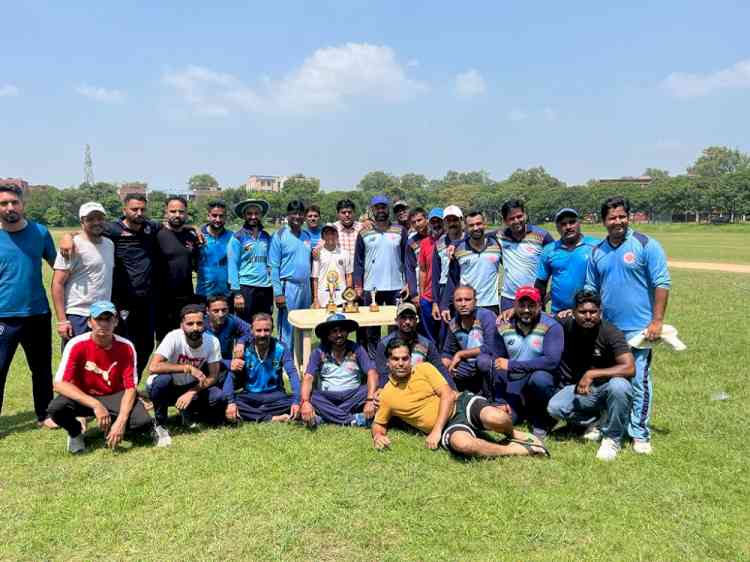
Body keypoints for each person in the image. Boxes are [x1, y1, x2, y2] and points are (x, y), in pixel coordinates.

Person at [585, 196, 671, 455]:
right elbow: (591, 290)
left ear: (628, 217)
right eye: (612, 217)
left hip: (639, 331)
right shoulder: (597, 252)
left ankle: (639, 433)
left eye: (622, 216)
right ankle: (608, 424)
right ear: (604, 221)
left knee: (639, 381)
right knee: (609, 381)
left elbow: (662, 282)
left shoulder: (646, 244)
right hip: (608, 331)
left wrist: (656, 321)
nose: (618, 221)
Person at [372, 338, 549, 457]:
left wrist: (436, 431)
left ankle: (513, 433)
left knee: (497, 417)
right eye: (395, 359)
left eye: (405, 358)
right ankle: (513, 449)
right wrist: (378, 436)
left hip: (461, 403)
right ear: (388, 362)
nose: (401, 363)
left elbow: (448, 395)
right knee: (463, 445)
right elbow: (379, 423)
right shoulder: (387, 394)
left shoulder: (424, 368)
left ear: (410, 359)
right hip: (451, 426)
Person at [47, 301, 172, 452]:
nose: (103, 324)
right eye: (98, 319)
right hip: (84, 395)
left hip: (113, 394)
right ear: (89, 322)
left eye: (108, 319)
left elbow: (130, 388)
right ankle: (75, 433)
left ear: (116, 322)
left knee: (142, 422)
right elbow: (59, 384)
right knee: (56, 409)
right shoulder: (76, 344)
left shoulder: (126, 346)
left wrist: (121, 421)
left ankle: (128, 425)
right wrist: (96, 405)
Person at [547, 290, 635, 461]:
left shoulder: (611, 332)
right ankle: (597, 422)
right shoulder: (567, 324)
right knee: (554, 407)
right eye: (582, 312)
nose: (588, 316)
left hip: (608, 388)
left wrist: (592, 373)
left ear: (600, 312)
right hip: (584, 389)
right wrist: (513, 311)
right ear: (573, 313)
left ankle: (612, 439)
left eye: (593, 312)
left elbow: (630, 367)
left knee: (620, 386)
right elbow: (541, 317)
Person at [0, 184, 56, 426]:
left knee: (41, 369)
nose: (10, 207)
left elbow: (60, 266)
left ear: (23, 205)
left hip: (37, 313)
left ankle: (45, 414)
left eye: (14, 202)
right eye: (4, 203)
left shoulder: (40, 233)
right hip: (3, 316)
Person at [484, 286, 562, 439]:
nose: (526, 310)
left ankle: (541, 419)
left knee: (540, 379)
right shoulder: (503, 325)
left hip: (541, 379)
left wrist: (512, 365)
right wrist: (500, 399)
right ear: (514, 306)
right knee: (506, 420)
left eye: (531, 305)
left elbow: (551, 362)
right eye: (522, 305)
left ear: (540, 306)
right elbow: (498, 361)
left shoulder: (552, 326)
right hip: (516, 381)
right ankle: (522, 409)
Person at [353, 195, 414, 355]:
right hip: (371, 288)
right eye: (377, 208)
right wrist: (357, 284)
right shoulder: (364, 233)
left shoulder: (400, 231)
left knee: (396, 327)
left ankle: (395, 358)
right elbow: (358, 261)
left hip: (396, 288)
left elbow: (406, 259)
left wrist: (408, 282)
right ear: (372, 210)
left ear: (388, 209)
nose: (380, 210)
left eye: (383, 207)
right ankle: (374, 361)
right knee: (372, 329)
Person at [147, 304, 224, 427]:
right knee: (161, 381)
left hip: (190, 385)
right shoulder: (173, 337)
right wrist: (187, 368)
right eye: (190, 324)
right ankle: (160, 422)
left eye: (199, 323)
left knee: (217, 396)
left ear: (205, 324)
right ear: (181, 325)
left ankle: (190, 412)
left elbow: (213, 376)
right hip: (169, 386)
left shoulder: (213, 342)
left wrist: (192, 392)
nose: (195, 328)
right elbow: (153, 367)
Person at [52, 202, 114, 348]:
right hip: (78, 314)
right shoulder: (72, 246)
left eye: (99, 218)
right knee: (76, 362)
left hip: (103, 313)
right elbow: (57, 284)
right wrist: (62, 321)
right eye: (90, 219)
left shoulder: (109, 244)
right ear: (82, 222)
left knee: (99, 362)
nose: (96, 222)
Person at [300, 314, 378, 427]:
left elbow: (372, 373)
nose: (339, 334)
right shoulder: (318, 352)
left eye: (342, 330)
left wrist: (370, 399)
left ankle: (326, 417)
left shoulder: (357, 349)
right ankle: (353, 420)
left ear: (347, 332)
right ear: (328, 334)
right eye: (334, 331)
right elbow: (308, 377)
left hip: (353, 395)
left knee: (375, 390)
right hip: (328, 396)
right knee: (310, 396)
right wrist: (306, 402)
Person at [223, 313, 301, 423]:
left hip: (276, 396)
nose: (262, 334)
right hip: (250, 396)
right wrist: (231, 403)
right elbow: (231, 377)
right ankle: (271, 417)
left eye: (266, 330)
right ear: (251, 331)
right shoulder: (243, 349)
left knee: (303, 400)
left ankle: (256, 413)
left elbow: (292, 374)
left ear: (272, 330)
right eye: (258, 330)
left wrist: (296, 401)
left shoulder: (281, 347)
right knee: (225, 401)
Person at [534, 208, 599, 315]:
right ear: (557, 228)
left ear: (579, 223)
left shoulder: (596, 246)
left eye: (572, 222)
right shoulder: (549, 250)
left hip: (588, 312)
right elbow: (541, 283)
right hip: (559, 313)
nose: (568, 227)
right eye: (563, 224)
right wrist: (540, 310)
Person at [374, 303, 453, 388]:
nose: (407, 322)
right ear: (396, 321)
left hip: (421, 386)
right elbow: (383, 374)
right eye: (403, 317)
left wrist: (453, 389)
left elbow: (440, 368)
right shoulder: (384, 344)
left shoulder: (426, 344)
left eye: (411, 318)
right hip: (395, 387)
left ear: (416, 321)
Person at [269, 200, 313, 354]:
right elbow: (273, 266)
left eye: (301, 213)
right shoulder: (279, 235)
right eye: (294, 213)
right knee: (287, 328)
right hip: (288, 286)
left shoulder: (307, 236)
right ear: (287, 215)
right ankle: (284, 363)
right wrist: (278, 293)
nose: (297, 216)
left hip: (305, 287)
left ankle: (301, 359)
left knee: (304, 324)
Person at [154, 196, 200, 340]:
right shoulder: (157, 235)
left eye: (181, 211)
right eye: (173, 211)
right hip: (163, 299)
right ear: (166, 213)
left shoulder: (191, 236)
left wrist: (193, 228)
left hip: (186, 297)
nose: (177, 215)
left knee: (185, 339)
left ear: (186, 213)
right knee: (164, 341)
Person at [495, 200, 554, 311]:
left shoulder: (542, 236)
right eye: (511, 219)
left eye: (519, 216)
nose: (517, 221)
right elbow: (475, 235)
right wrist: (454, 245)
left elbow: (558, 262)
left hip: (534, 297)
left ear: (525, 215)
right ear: (505, 221)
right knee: (507, 329)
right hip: (509, 299)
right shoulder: (499, 236)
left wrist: (550, 293)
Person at [442, 210, 503, 316]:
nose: (476, 228)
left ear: (485, 224)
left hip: (491, 304)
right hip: (466, 304)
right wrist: (445, 305)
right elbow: (452, 279)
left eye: (479, 224)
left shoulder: (497, 245)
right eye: (471, 225)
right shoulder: (458, 250)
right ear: (465, 227)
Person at [441, 286, 497, 398]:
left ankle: (492, 398)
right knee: (444, 365)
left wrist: (461, 354)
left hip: (490, 362)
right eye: (459, 300)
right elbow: (448, 351)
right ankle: (456, 397)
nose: (463, 304)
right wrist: (444, 363)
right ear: (454, 303)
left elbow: (490, 347)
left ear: (475, 301)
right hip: (468, 365)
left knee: (483, 362)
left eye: (467, 300)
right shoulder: (453, 323)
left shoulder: (486, 316)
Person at [228, 199, 273, 322]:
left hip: (266, 288)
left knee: (265, 324)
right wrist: (237, 293)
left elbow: (269, 263)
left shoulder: (266, 236)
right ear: (244, 216)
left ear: (261, 215)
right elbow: (232, 266)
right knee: (245, 326)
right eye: (249, 213)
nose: (253, 216)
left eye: (256, 213)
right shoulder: (237, 238)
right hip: (246, 288)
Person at [430, 205, 464, 346]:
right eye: (448, 220)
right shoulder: (439, 244)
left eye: (455, 219)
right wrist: (436, 302)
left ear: (461, 220)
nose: (452, 223)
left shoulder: (469, 239)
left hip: (465, 288)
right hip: (444, 290)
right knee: (445, 330)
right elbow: (435, 275)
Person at [196, 201, 234, 303]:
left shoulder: (232, 237)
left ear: (225, 217)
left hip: (226, 293)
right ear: (208, 216)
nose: (218, 219)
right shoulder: (198, 236)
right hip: (204, 292)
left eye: (221, 216)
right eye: (214, 215)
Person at [416, 208, 444, 343]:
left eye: (439, 221)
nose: (436, 224)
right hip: (427, 296)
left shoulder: (450, 242)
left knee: (444, 332)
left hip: (444, 295)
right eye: (433, 222)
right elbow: (422, 270)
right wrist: (421, 295)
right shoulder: (425, 243)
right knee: (429, 335)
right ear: (429, 223)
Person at [203, 295, 250, 376]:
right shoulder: (200, 325)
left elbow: (251, 330)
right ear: (207, 310)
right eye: (216, 311)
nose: (221, 314)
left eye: (224, 310)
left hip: (228, 367)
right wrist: (229, 363)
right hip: (206, 367)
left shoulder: (231, 319)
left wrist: (241, 342)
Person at [311, 224, 353, 309]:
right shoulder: (318, 254)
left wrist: (349, 298)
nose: (330, 236)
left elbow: (349, 276)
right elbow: (315, 279)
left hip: (341, 299)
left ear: (337, 235)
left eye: (333, 233)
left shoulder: (345, 253)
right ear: (322, 236)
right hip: (323, 300)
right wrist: (316, 299)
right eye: (327, 233)